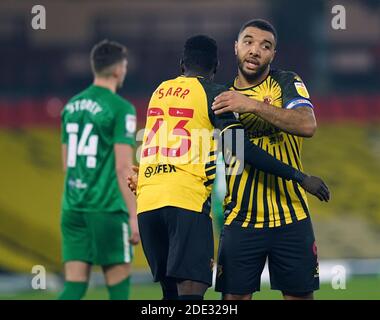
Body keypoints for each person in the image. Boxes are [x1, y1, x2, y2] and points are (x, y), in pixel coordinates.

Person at [132, 35, 329, 300]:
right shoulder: (215, 95)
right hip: (184, 203)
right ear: (215, 67)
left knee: (170, 294)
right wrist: (298, 176)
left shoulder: (159, 92)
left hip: (147, 204)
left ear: (181, 65)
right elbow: (241, 150)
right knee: (191, 293)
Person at [212, 19, 323, 300]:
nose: (255, 51)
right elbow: (238, 154)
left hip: (291, 216)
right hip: (241, 220)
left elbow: (307, 125)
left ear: (273, 55)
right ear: (236, 47)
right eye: (248, 42)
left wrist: (249, 104)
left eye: (265, 46)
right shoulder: (221, 99)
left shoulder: (287, 82)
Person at [59, 39, 139, 300]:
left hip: (72, 209)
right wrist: (134, 215)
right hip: (107, 209)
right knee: (118, 289)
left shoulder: (70, 106)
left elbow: (66, 164)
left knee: (75, 286)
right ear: (118, 70)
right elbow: (123, 166)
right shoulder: (121, 108)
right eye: (124, 65)